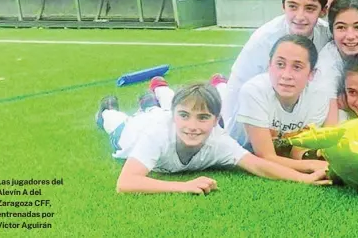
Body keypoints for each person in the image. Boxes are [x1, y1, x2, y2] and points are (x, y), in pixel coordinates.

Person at [94, 82, 329, 194]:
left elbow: (258, 165)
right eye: (184, 116)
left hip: (164, 115)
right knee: (115, 122)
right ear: (175, 116)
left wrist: (303, 179)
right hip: (133, 130)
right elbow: (126, 183)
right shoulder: (156, 135)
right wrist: (183, 186)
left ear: (216, 121)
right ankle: (107, 108)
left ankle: (154, 93)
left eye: (203, 118)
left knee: (167, 108)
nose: (192, 127)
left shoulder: (218, 140)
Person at [217, 0, 330, 132]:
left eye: (310, 8)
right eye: (293, 6)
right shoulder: (264, 39)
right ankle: (220, 85)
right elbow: (238, 83)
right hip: (266, 104)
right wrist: (229, 128)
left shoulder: (327, 36)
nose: (300, 16)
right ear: (283, 6)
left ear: (323, 11)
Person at [231, 35, 331, 173]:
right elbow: (265, 156)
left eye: (297, 67)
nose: (286, 75)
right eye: (280, 64)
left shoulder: (319, 97)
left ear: (311, 74)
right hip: (242, 148)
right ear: (269, 66)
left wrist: (315, 160)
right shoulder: (254, 91)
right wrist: (312, 165)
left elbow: (297, 152)